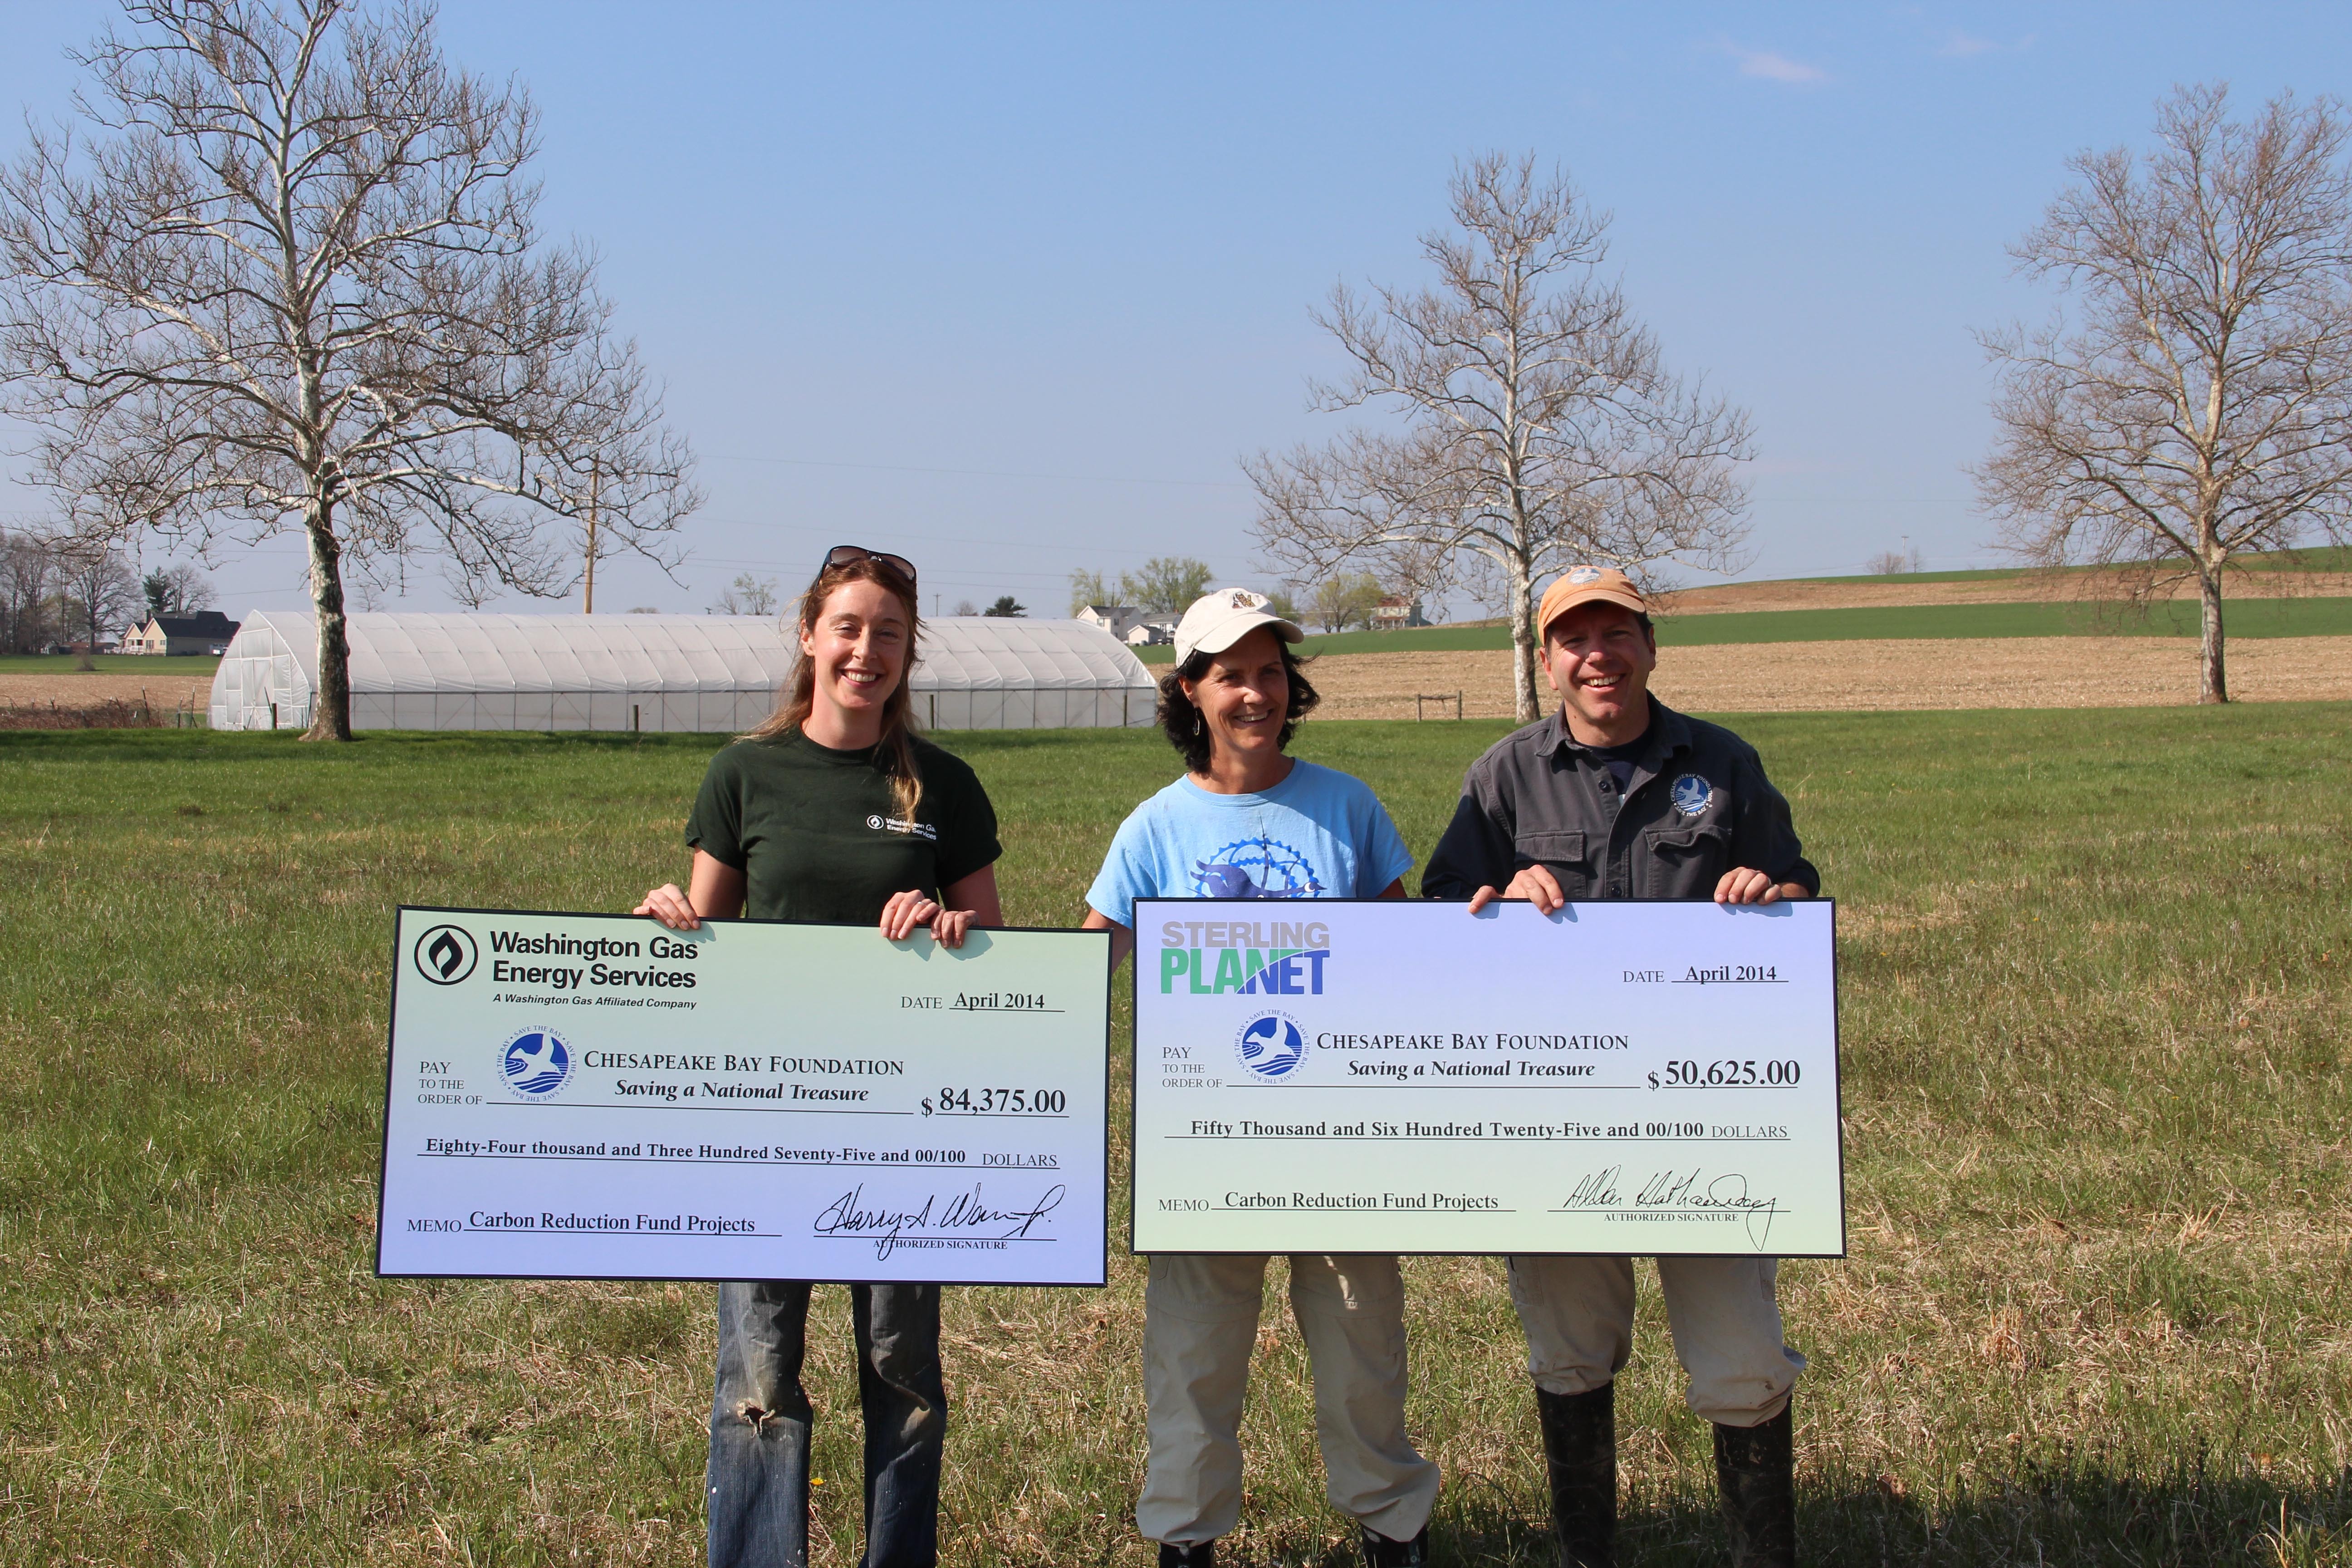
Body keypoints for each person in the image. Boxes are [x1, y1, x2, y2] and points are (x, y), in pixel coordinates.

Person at [1422, 566, 1817, 1568]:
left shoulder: (1722, 764)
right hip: (1553, 1120)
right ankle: (1587, 1555)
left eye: (1618, 635)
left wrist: (1771, 886)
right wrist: (1499, 894)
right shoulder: (1504, 776)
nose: (1599, 656)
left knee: (1743, 1362)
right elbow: (1441, 912)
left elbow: (1797, 879)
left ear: (1649, 645)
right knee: (1570, 1354)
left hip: (1706, 1120)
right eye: (1575, 640)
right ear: (1547, 659)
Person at [634, 546, 1003, 1568]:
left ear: (908, 651)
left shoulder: (945, 787)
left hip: (903, 1124)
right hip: (768, 1117)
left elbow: (993, 949)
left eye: (889, 633)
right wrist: (667, 921)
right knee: (758, 1374)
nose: (867, 651)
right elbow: (707, 936)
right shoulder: (743, 774)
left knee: (903, 1374)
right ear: (809, 636)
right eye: (849, 627)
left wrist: (945, 924)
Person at [1082, 587, 1441, 1568]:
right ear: (1191, 691)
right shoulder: (1155, 829)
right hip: (1207, 1138)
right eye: (1231, 673)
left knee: (1363, 1345)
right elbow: (1085, 969)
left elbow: (1408, 956)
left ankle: (1390, 1524)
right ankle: (1186, 1535)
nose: (1256, 692)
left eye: (1271, 672)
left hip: (1340, 1132)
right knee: (1193, 1356)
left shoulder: (1346, 805)